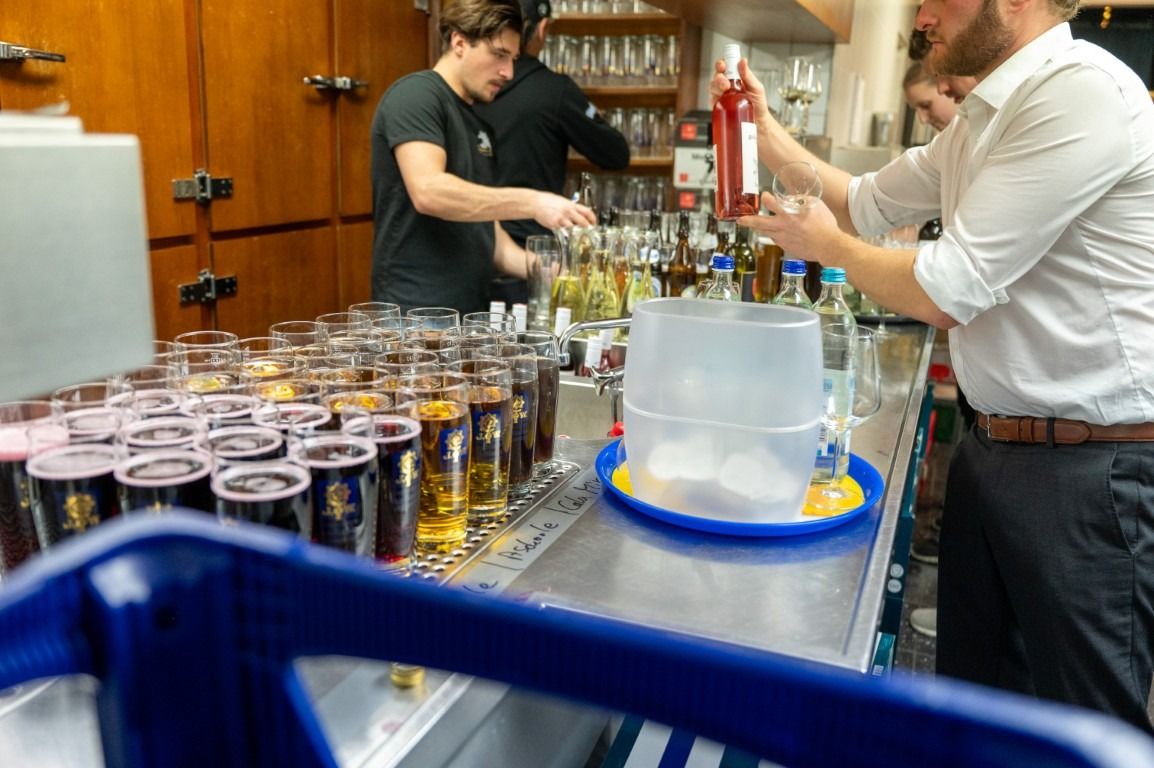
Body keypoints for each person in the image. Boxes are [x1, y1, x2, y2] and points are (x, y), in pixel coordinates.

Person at [714, 0, 1154, 731]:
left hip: (1092, 472)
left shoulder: (1081, 93)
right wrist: (762, 126)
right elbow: (861, 203)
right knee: (980, 711)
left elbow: (949, 288)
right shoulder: (985, 117)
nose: (920, 17)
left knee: (1084, 731)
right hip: (997, 450)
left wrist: (827, 248)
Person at [370, 0, 596, 315]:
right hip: (414, 315)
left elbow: (492, 242)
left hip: (469, 312)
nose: (509, 72)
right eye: (499, 54)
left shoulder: (478, 125)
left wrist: (557, 271)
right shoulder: (417, 96)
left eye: (513, 59)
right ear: (459, 42)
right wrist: (534, 202)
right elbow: (429, 191)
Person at [473, 0, 630, 305]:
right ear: (543, 29)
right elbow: (615, 154)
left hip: (473, 258)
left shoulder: (465, 91)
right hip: (532, 260)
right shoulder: (553, 90)